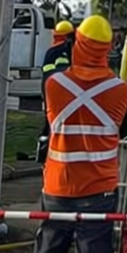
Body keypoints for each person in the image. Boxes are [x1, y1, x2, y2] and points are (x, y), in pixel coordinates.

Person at [31, 14, 127, 253]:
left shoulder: (53, 85)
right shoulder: (122, 90)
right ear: (107, 50)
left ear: (78, 44)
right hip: (99, 192)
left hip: (57, 188)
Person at [35, 20, 75, 163]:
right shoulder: (72, 51)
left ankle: (44, 148)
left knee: (49, 118)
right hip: (68, 92)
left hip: (49, 89)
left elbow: (45, 72)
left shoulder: (51, 52)